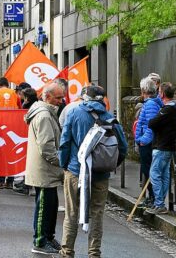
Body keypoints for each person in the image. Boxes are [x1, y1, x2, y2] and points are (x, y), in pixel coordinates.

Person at [59, 86, 128, 258]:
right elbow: (123, 148)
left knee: (71, 213)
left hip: (76, 170)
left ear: (85, 98)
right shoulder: (109, 118)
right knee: (97, 213)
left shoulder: (74, 114)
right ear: (102, 99)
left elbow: (65, 143)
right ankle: (94, 253)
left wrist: (65, 165)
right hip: (100, 174)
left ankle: (67, 252)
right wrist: (109, 165)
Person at [25, 82, 65, 255]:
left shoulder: (45, 112)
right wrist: (62, 162)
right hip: (44, 169)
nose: (61, 101)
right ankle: (40, 241)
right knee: (44, 207)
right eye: (58, 98)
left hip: (47, 169)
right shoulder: (44, 115)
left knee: (50, 205)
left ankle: (47, 236)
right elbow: (47, 147)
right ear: (47, 97)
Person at [145, 83, 176, 215]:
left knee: (155, 174)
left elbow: (152, 123)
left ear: (163, 94)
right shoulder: (173, 109)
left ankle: (159, 203)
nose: (159, 94)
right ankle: (160, 202)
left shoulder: (167, 110)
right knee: (164, 175)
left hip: (162, 145)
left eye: (160, 92)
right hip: (167, 145)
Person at [135, 77, 163, 207]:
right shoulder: (150, 103)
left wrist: (142, 140)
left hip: (147, 143)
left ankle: (152, 197)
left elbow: (150, 125)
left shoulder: (150, 104)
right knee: (148, 170)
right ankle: (151, 197)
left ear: (144, 90)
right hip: (146, 142)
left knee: (149, 170)